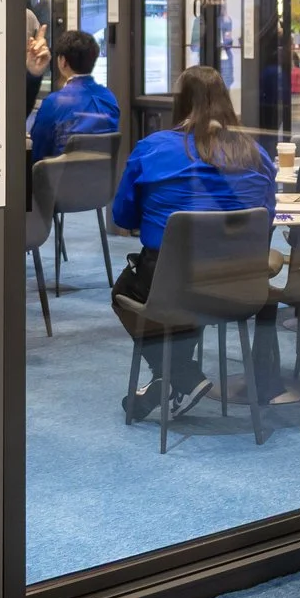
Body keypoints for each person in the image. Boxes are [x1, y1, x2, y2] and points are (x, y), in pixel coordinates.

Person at [109, 64, 276, 421]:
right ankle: (174, 377)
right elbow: (267, 220)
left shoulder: (151, 149)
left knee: (126, 289)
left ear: (179, 102)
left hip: (171, 281)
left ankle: (179, 374)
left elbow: (122, 217)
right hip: (238, 282)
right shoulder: (256, 155)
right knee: (191, 276)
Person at [29, 29, 118, 163]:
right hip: (100, 182)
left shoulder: (53, 103)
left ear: (63, 61)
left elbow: (38, 153)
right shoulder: (109, 98)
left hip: (56, 181)